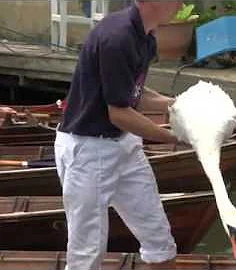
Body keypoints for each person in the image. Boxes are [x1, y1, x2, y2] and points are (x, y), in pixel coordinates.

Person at [54, 1, 183, 269]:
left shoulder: (145, 35)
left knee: (160, 240)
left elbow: (133, 93)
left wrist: (179, 105)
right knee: (86, 254)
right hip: (88, 149)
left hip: (123, 144)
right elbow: (120, 112)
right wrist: (177, 138)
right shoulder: (117, 37)